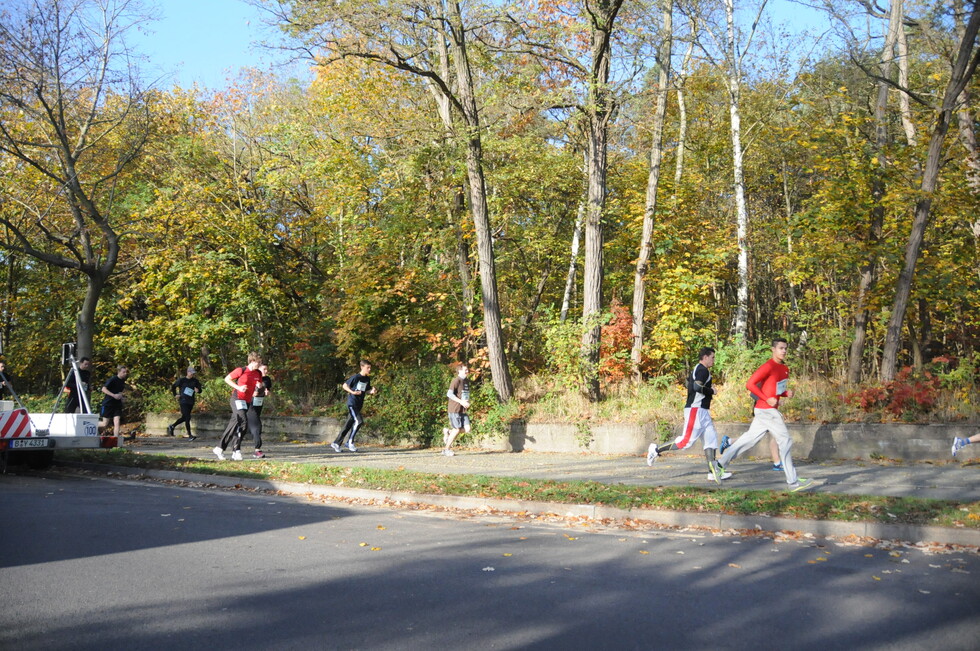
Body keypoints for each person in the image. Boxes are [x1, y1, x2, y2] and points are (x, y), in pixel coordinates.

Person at [717, 338, 813, 492]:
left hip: (765, 410)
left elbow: (775, 389)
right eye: (781, 348)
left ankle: (720, 463)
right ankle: (793, 482)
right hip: (766, 409)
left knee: (749, 440)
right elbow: (750, 384)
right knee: (786, 441)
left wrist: (785, 393)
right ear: (773, 349)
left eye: (785, 348)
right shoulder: (768, 366)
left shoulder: (784, 368)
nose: (783, 351)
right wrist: (765, 398)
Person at [646, 347, 730, 483]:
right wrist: (711, 391)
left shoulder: (699, 369)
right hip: (695, 410)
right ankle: (655, 449)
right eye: (713, 357)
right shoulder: (702, 370)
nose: (714, 360)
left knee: (711, 439)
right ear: (705, 357)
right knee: (686, 442)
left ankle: (712, 472)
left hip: (702, 410)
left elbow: (688, 383)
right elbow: (697, 387)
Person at [213, 352, 263, 461]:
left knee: (235, 423)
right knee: (243, 422)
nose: (260, 364)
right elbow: (227, 379)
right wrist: (239, 387)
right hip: (237, 398)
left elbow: (258, 384)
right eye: (258, 362)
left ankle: (219, 448)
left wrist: (258, 387)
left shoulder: (258, 373)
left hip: (247, 401)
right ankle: (237, 450)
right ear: (252, 361)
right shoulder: (241, 370)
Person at [331, 359, 376, 453]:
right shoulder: (356, 377)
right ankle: (350, 442)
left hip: (359, 404)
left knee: (348, 424)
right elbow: (344, 385)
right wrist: (352, 392)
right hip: (352, 404)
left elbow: (365, 390)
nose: (369, 369)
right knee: (359, 421)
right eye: (368, 367)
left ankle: (336, 443)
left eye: (370, 367)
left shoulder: (367, 379)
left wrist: (371, 392)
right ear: (362, 367)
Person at [235, 363, 271, 458]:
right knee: (257, 425)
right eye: (264, 369)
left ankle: (236, 446)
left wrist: (266, 391)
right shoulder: (251, 376)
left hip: (259, 405)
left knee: (246, 427)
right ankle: (257, 450)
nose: (266, 371)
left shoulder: (267, 379)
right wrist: (252, 392)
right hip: (250, 404)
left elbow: (267, 388)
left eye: (267, 369)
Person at [441, 363, 471, 457]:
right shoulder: (456, 380)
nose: (467, 371)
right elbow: (449, 394)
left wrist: (466, 402)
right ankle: (446, 449)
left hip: (463, 410)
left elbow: (464, 394)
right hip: (454, 409)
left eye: (467, 369)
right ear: (459, 371)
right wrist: (461, 402)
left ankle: (449, 432)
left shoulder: (466, 381)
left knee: (467, 429)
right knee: (457, 429)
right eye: (465, 370)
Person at [167, 366, 202, 440]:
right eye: (191, 373)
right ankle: (190, 435)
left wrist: (198, 390)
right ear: (187, 372)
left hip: (191, 401)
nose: (192, 374)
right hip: (183, 401)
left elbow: (200, 390)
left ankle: (172, 426)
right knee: (188, 417)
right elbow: (173, 387)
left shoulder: (195, 381)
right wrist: (175, 394)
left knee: (184, 417)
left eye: (193, 373)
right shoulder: (182, 380)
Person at [100, 365, 130, 440]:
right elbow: (103, 389)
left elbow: (119, 392)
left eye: (126, 372)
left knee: (117, 421)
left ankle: (115, 439)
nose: (125, 373)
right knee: (104, 424)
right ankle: (91, 425)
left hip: (117, 404)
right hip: (108, 404)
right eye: (123, 372)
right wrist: (113, 395)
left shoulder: (122, 381)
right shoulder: (113, 379)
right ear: (118, 372)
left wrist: (122, 398)